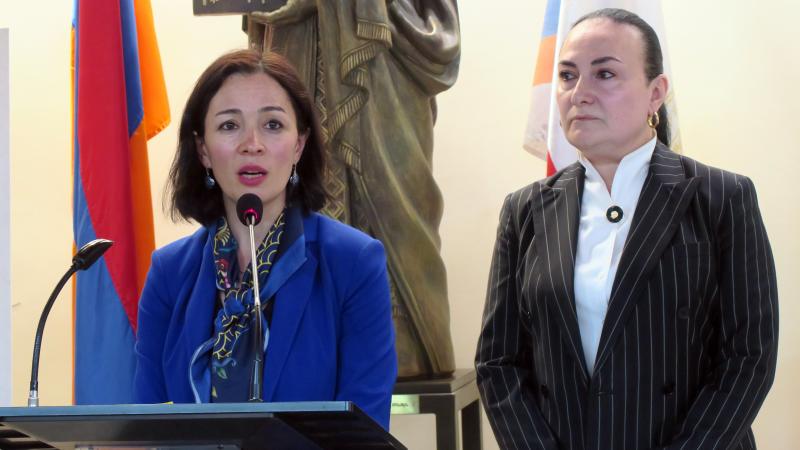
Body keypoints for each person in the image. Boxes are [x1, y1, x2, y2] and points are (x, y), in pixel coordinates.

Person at [475, 8, 778, 450]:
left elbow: (749, 355)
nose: (580, 93)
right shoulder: (524, 210)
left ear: (656, 93)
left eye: (605, 74)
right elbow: (498, 362)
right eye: (567, 75)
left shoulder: (722, 197)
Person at [132, 49, 397, 429]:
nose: (252, 144)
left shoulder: (353, 263)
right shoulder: (169, 273)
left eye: (272, 124)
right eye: (229, 126)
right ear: (203, 150)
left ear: (299, 145)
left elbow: (364, 428)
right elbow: (146, 424)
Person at [243, 0, 460, 378]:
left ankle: (400, 338)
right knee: (297, 197)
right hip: (296, 54)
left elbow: (439, 34)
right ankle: (310, 337)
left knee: (394, 203)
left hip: (382, 67)